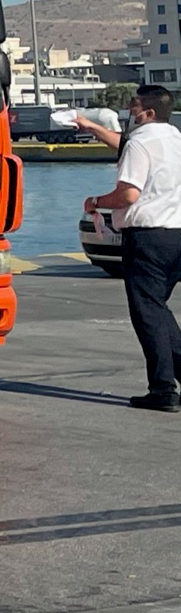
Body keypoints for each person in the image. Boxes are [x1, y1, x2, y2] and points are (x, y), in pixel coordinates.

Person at [84, 86, 181, 411]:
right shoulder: (175, 139)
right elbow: (122, 144)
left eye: (134, 105)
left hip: (148, 238)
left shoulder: (140, 142)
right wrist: (92, 127)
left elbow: (128, 194)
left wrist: (96, 202)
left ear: (148, 113)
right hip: (176, 234)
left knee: (147, 314)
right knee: (158, 308)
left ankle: (163, 390)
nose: (129, 109)